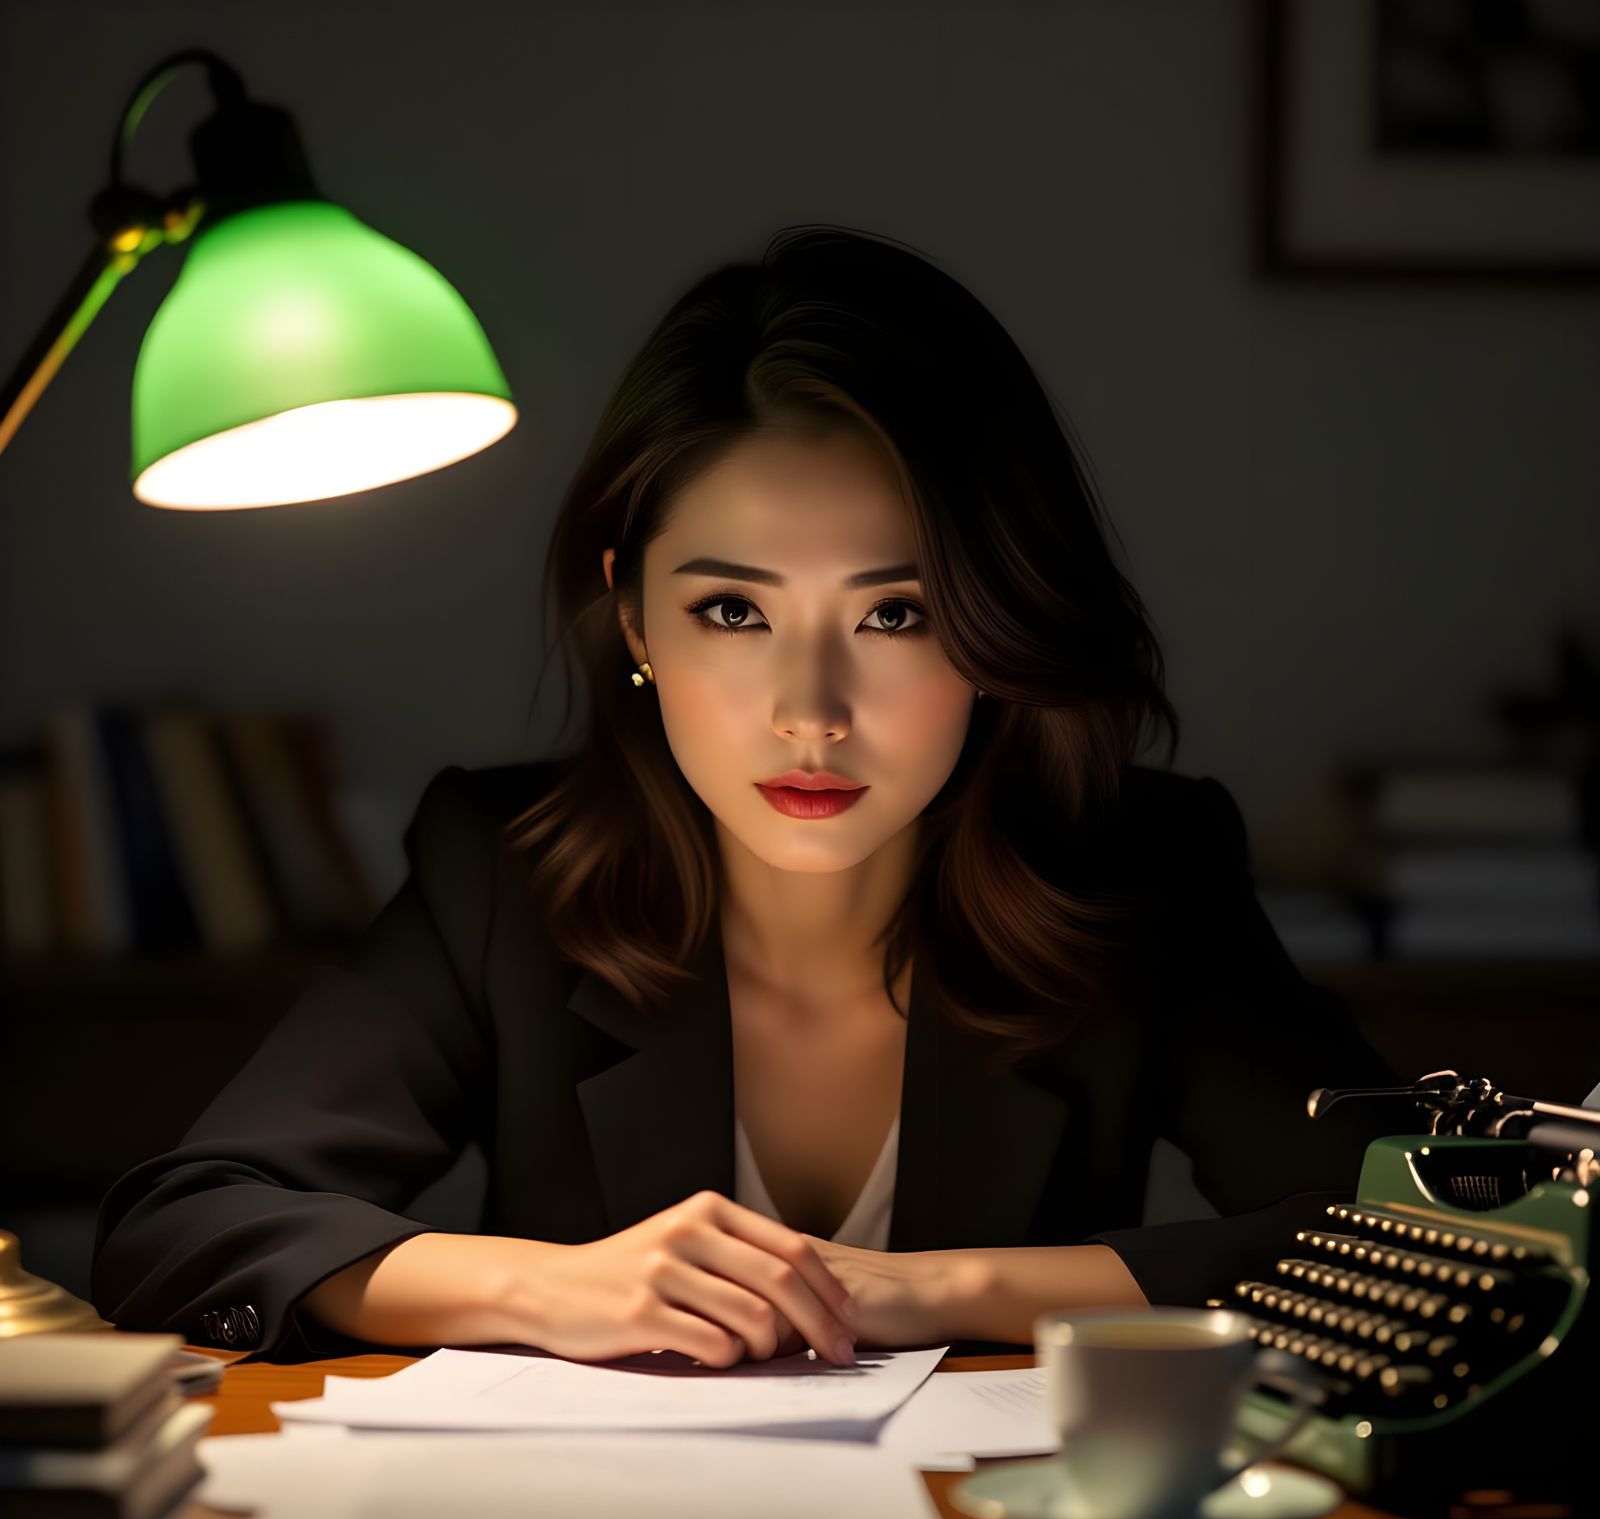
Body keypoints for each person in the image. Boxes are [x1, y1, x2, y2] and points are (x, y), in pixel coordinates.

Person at [91, 225, 1419, 1368]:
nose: (811, 710)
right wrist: (545, 1286)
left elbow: (1433, 1236)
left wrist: (939, 1290)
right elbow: (186, 1228)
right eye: (733, 608)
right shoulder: (504, 867)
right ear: (633, 613)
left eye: (896, 613)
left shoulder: (1135, 872)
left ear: (997, 629)